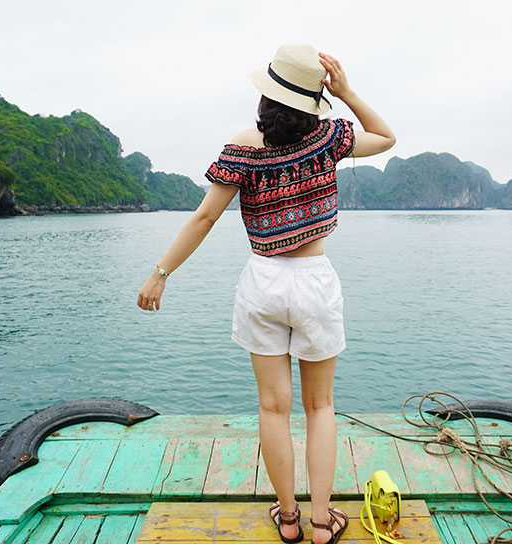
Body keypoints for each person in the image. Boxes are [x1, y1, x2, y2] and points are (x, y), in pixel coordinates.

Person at [137, 43, 395, 544]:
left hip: (263, 282)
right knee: (320, 407)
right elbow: (385, 137)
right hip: (315, 281)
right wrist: (347, 93)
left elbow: (205, 217)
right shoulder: (331, 138)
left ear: (267, 94)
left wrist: (161, 273)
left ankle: (289, 519)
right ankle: (323, 523)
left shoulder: (243, 145)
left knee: (274, 407)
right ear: (313, 97)